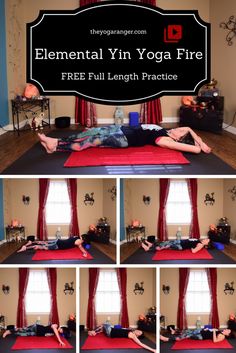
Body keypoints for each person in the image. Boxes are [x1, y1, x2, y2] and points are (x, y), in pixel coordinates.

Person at [38, 124, 211, 154]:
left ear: (179, 140)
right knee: (90, 131)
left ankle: (55, 145)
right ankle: (54, 143)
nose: (178, 129)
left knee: (90, 141)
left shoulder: (165, 140)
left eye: (180, 132)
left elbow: (194, 149)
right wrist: (202, 142)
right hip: (122, 129)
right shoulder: (168, 131)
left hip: (124, 139)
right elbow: (188, 128)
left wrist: (198, 147)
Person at [88, 323, 156, 353]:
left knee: (104, 324)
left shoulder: (133, 335)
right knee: (103, 327)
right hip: (111, 331)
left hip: (110, 332)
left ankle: (93, 332)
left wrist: (153, 350)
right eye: (139, 330)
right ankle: (96, 332)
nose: (138, 331)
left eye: (139, 332)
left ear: (138, 336)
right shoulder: (131, 331)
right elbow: (123, 329)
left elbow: (141, 344)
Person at [2, 323, 70, 346]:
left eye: (62, 332)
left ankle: (11, 332)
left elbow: (46, 334)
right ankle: (8, 331)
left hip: (36, 333)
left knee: (21, 334)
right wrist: (60, 341)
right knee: (22, 329)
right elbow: (54, 329)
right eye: (62, 330)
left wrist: (46, 335)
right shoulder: (56, 325)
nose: (61, 331)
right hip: (36, 327)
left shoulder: (55, 334)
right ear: (61, 328)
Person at [17, 236, 87, 257]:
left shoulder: (76, 237)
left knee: (45, 242)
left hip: (58, 241)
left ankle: (30, 242)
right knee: (42, 247)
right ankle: (25, 248)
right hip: (57, 245)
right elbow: (82, 248)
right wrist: (85, 253)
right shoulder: (79, 242)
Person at [160, 327, 231, 343]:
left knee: (186, 335)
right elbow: (212, 331)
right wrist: (208, 329)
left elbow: (215, 341)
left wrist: (214, 332)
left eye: (228, 330)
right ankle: (175, 332)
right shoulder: (220, 331)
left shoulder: (222, 336)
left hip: (201, 336)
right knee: (187, 330)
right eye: (227, 329)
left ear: (227, 334)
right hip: (201, 331)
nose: (226, 329)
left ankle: (166, 339)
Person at [141, 238, 211, 254]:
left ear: (206, 244)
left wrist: (192, 247)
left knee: (165, 245)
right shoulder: (199, 241)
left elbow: (194, 251)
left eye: (207, 240)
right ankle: (151, 245)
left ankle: (148, 249)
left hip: (180, 246)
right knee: (166, 242)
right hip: (180, 242)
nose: (205, 239)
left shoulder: (201, 245)